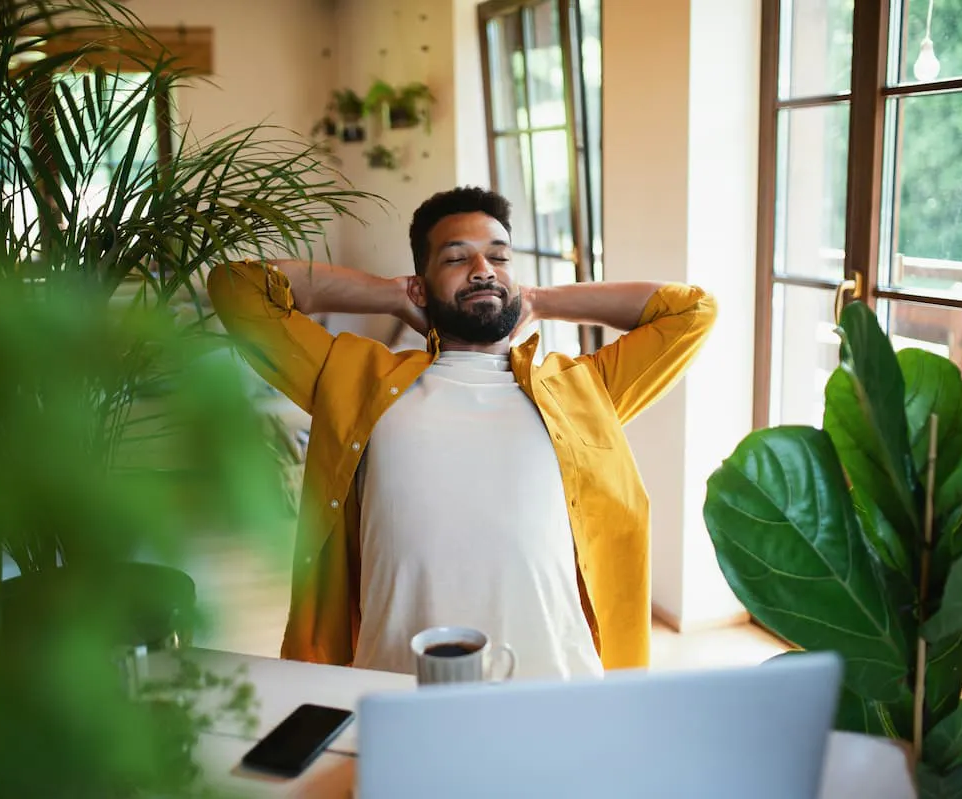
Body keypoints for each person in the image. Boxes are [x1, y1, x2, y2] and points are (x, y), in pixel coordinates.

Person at [207, 186, 716, 679]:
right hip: (397, 686)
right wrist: (392, 295)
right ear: (422, 282)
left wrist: (540, 299)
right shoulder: (355, 378)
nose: (483, 270)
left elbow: (690, 312)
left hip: (560, 688)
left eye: (499, 257)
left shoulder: (581, 389)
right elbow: (239, 287)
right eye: (456, 258)